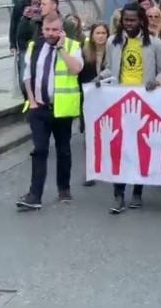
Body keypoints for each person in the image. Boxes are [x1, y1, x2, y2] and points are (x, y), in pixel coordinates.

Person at [101, 2, 161, 214]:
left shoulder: (155, 44)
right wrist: (99, 79)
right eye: (125, 20)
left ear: (141, 20)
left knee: (140, 147)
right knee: (119, 148)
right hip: (119, 100)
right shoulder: (113, 42)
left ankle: (137, 190)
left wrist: (156, 82)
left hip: (144, 101)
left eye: (132, 20)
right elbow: (109, 69)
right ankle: (118, 193)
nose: (128, 24)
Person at [16, 12, 84, 211]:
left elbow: (76, 69)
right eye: (47, 29)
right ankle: (34, 195)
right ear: (42, 29)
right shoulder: (34, 45)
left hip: (62, 109)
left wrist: (61, 47)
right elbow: (28, 75)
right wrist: (31, 99)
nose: (51, 33)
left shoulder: (72, 45)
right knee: (40, 150)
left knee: (63, 150)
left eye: (55, 30)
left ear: (61, 29)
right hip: (39, 107)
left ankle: (63, 188)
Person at [77, 22, 110, 187]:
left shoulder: (113, 51)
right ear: (92, 35)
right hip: (89, 97)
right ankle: (89, 171)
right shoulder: (84, 52)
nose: (101, 36)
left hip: (108, 98)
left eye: (104, 33)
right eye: (98, 32)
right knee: (89, 135)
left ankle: (107, 166)